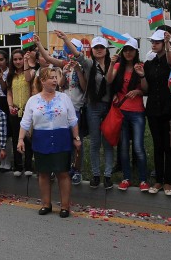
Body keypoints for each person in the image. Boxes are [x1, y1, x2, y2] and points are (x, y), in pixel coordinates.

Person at [18, 67, 81, 218]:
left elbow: (73, 120)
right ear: (42, 80)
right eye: (51, 77)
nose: (54, 80)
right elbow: (25, 122)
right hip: (41, 139)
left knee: (63, 173)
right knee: (44, 174)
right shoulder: (33, 100)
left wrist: (76, 138)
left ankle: (65, 206)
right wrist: (20, 139)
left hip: (61, 138)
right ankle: (46, 204)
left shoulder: (64, 98)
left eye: (55, 77)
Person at [35, 32, 89, 184]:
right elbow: (49, 60)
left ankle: (77, 171)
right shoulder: (64, 65)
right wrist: (39, 44)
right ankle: (61, 168)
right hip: (62, 110)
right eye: (68, 51)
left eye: (72, 51)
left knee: (78, 143)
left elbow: (85, 88)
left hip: (77, 109)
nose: (70, 54)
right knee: (62, 142)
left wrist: (78, 70)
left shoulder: (84, 65)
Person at [106, 38, 149, 192]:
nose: (128, 53)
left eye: (131, 50)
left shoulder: (141, 66)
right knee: (123, 147)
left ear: (136, 51)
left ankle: (144, 180)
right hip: (121, 111)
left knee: (138, 147)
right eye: (125, 50)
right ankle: (126, 178)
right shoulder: (118, 66)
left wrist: (140, 84)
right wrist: (111, 63)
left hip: (137, 112)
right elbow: (109, 80)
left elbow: (146, 89)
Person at [142, 27, 171, 195]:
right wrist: (141, 76)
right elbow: (146, 88)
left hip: (168, 108)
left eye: (157, 42)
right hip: (153, 108)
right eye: (152, 42)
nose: (154, 44)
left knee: (168, 146)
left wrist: (167, 44)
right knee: (158, 145)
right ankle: (158, 180)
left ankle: (168, 181)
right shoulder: (149, 63)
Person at [83, 37, 114, 189]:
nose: (99, 50)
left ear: (106, 49)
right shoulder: (89, 64)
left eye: (102, 47)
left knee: (108, 142)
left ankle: (108, 176)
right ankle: (96, 175)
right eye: (96, 47)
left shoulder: (113, 64)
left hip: (109, 107)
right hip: (93, 106)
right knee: (95, 142)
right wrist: (64, 39)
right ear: (92, 50)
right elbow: (77, 54)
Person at [6, 49, 34, 177]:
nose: (18, 61)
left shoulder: (30, 72)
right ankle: (18, 166)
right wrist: (10, 105)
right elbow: (9, 92)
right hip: (15, 111)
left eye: (20, 58)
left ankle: (28, 166)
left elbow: (28, 79)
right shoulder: (11, 75)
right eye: (15, 59)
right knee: (16, 138)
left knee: (28, 139)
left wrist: (27, 62)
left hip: (28, 111)